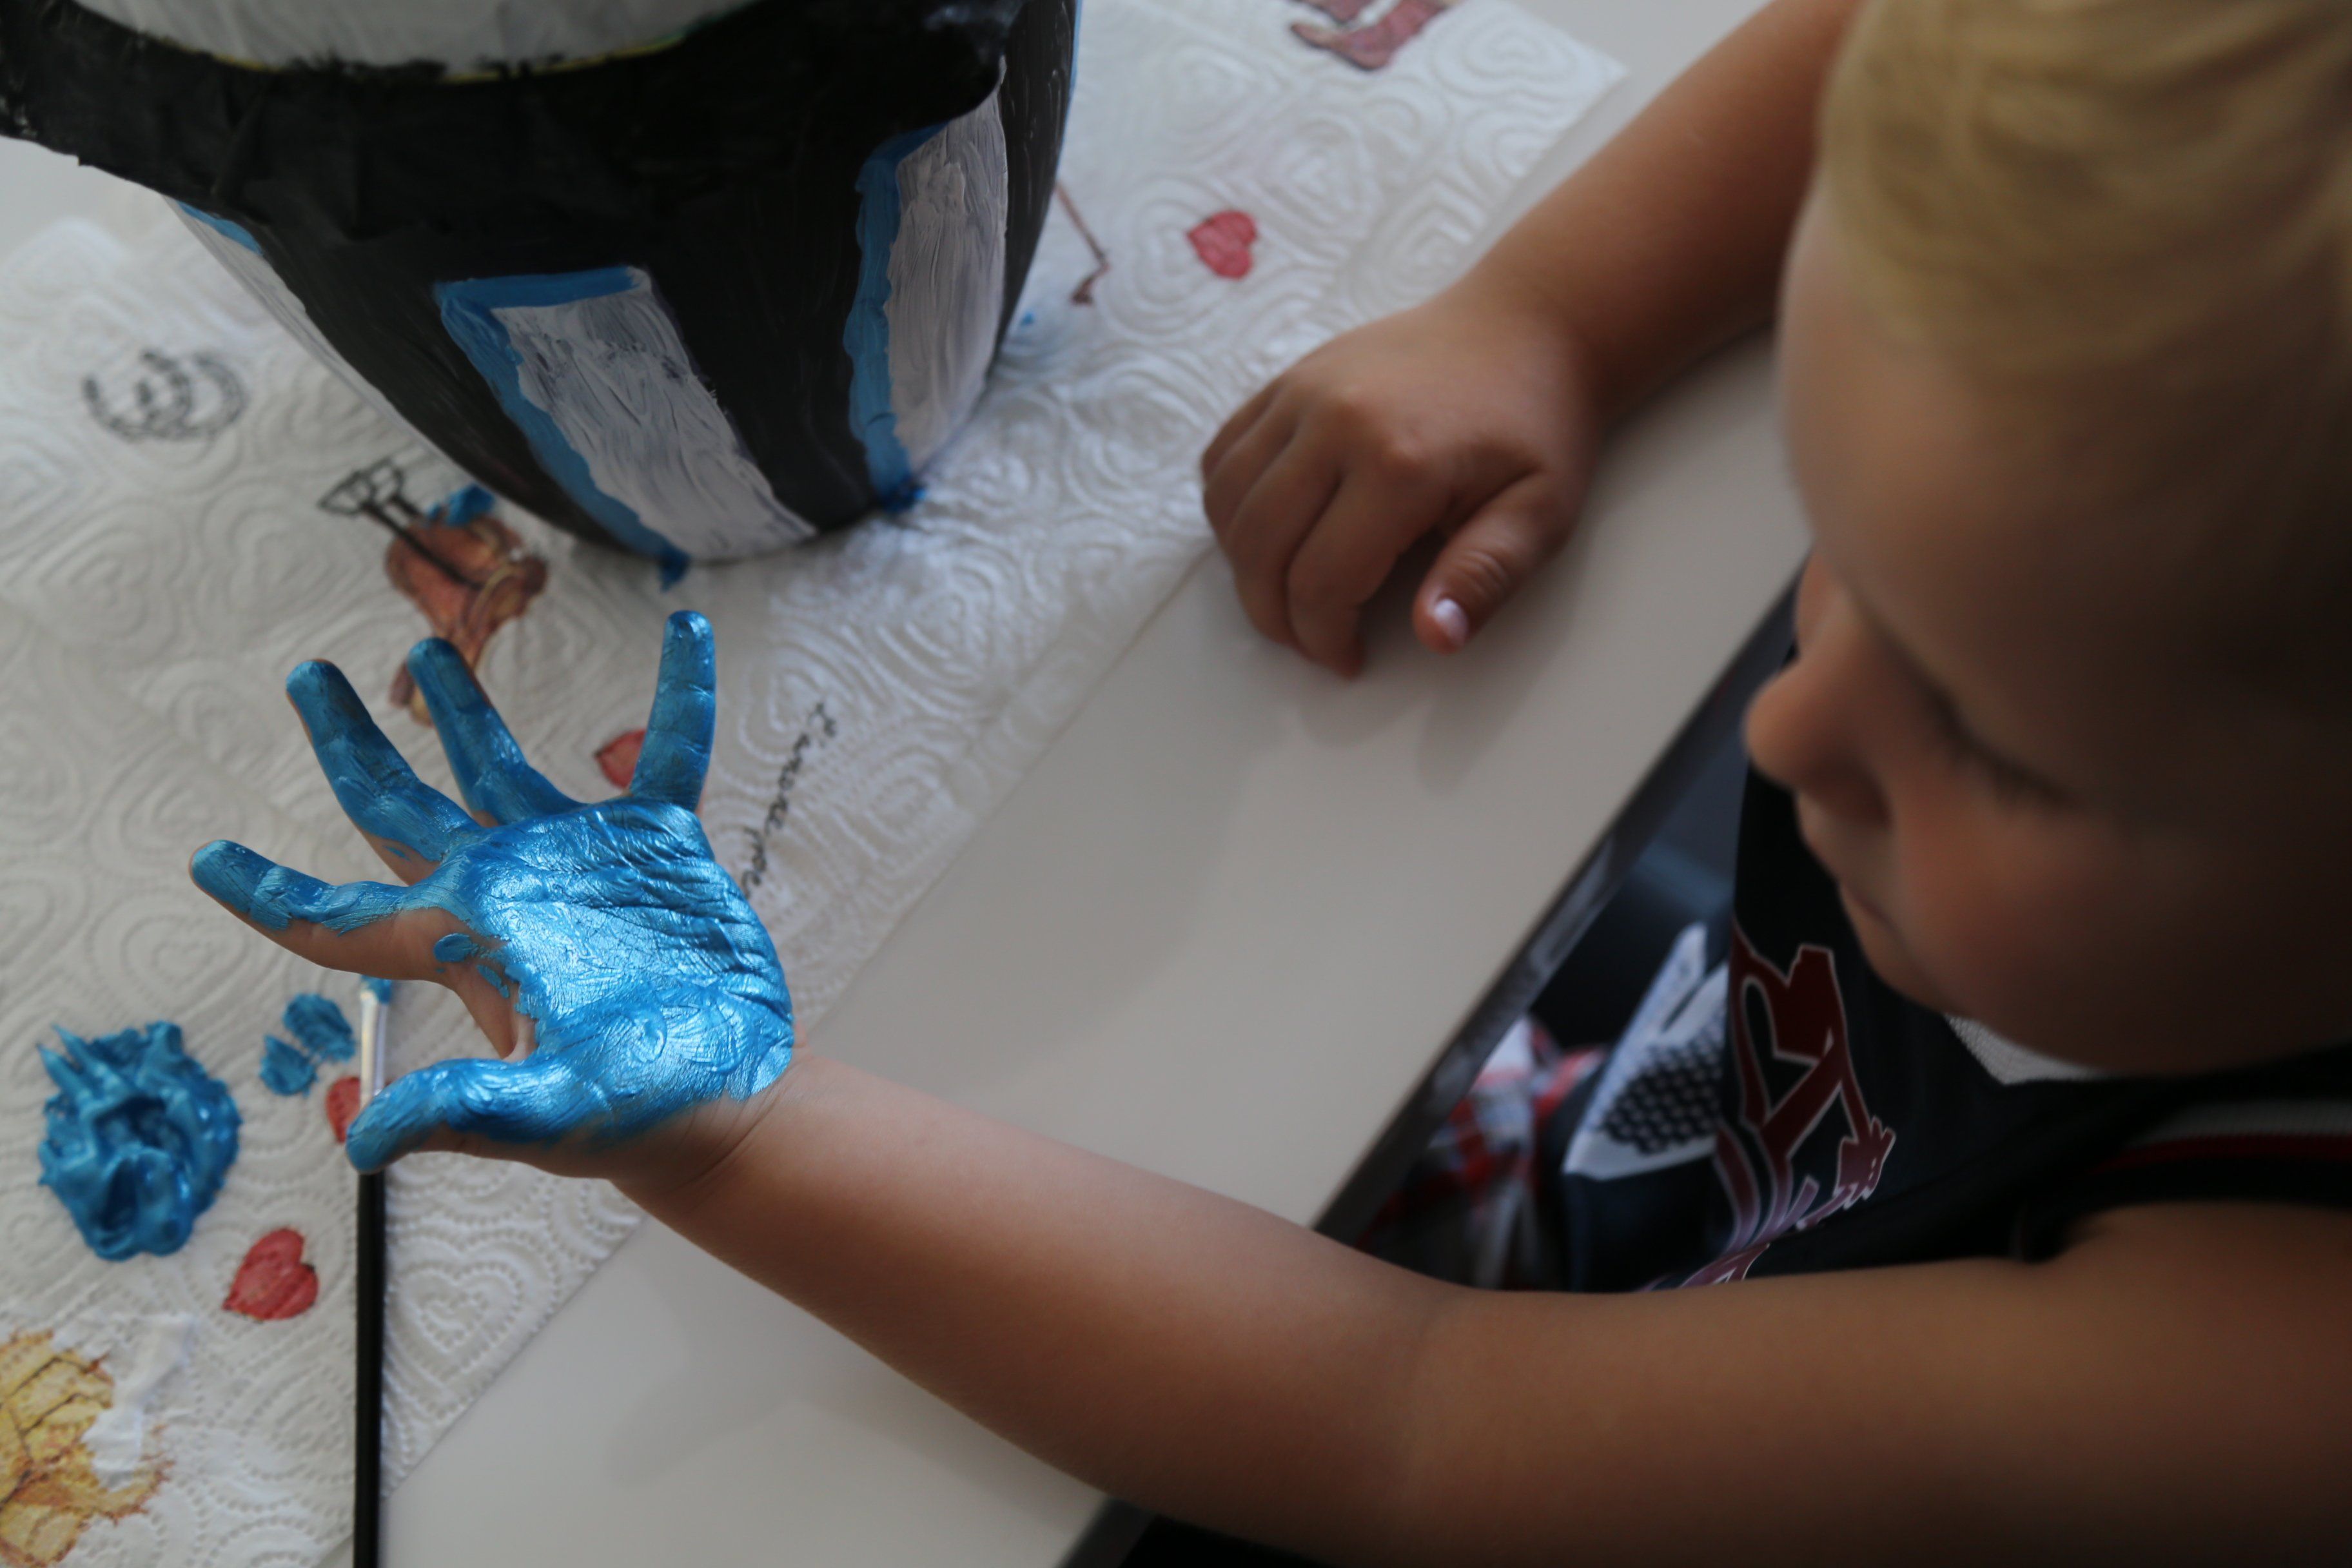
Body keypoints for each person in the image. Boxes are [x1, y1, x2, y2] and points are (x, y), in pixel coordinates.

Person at [191, 0, 2352, 1558]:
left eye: (1998, 741)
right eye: (1836, 548)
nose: (1789, 728)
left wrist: (743, 1126)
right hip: (1700, 1141)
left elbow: (1416, 1422)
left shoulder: (2264, 1380)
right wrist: (1554, 314)